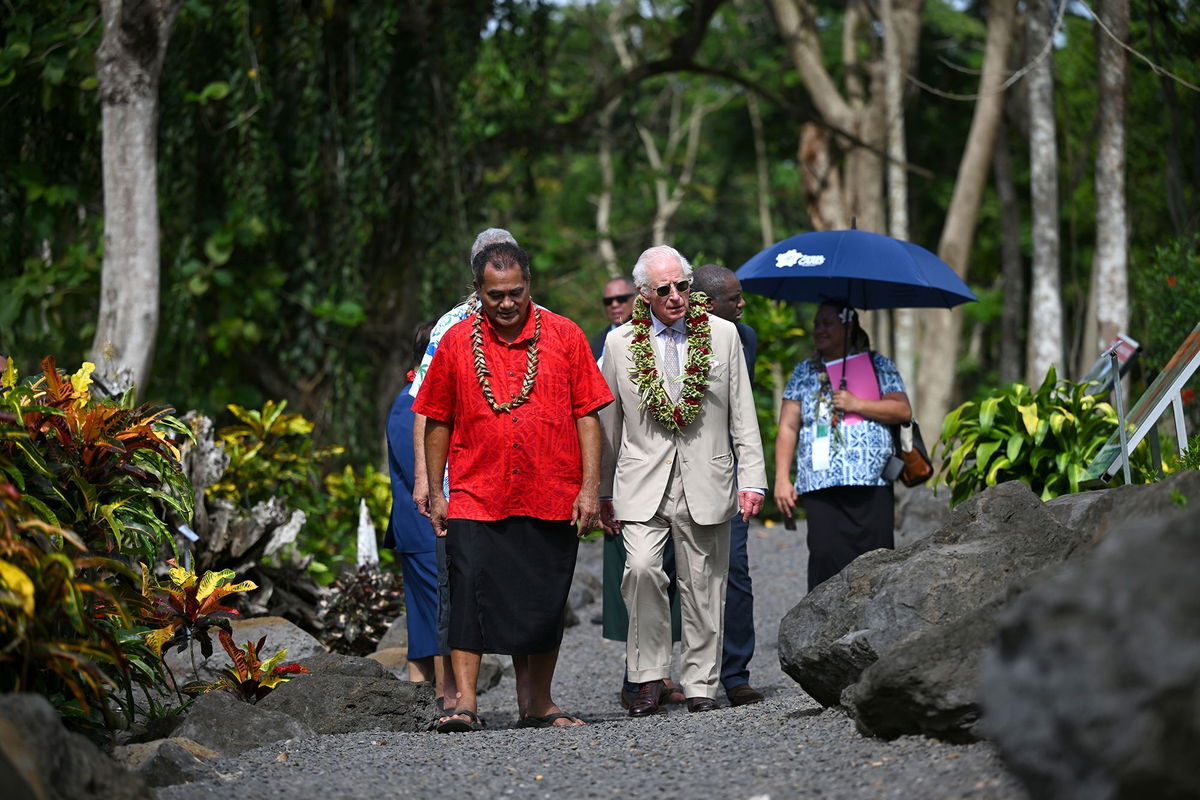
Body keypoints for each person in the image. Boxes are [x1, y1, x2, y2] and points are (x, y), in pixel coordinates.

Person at [415, 241, 613, 732]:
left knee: (543, 597)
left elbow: (588, 414)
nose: (506, 304)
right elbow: (436, 418)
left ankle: (538, 704)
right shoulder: (458, 341)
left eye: (515, 293)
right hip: (475, 493)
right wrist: (436, 492)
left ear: (530, 285)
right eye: (495, 295)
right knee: (468, 595)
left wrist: (590, 489)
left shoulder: (565, 335)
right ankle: (465, 705)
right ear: (478, 292)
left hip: (550, 491)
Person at [599, 245, 767, 716]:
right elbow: (608, 423)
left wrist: (752, 478)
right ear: (644, 293)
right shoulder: (617, 343)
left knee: (704, 583)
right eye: (664, 289)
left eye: (683, 286)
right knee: (641, 571)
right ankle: (649, 677)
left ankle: (701, 683)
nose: (676, 296)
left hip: (707, 477)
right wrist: (601, 490)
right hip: (640, 482)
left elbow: (743, 414)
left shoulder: (723, 335)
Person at [410, 226, 518, 712]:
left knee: (521, 577)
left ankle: (529, 697)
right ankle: (452, 693)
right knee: (456, 583)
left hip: (518, 482)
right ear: (476, 277)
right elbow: (427, 407)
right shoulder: (451, 327)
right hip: (463, 481)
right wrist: (425, 481)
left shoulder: (535, 318)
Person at [773, 301, 913, 592]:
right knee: (824, 556)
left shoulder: (877, 365)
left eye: (827, 323)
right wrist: (782, 478)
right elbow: (788, 426)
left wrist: (856, 404)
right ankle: (822, 633)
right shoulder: (803, 372)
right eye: (816, 324)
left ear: (849, 327)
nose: (819, 330)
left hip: (872, 482)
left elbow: (902, 411)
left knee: (876, 561)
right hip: (821, 483)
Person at [689, 263, 764, 707]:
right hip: (669, 473)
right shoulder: (657, 338)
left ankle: (735, 673)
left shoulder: (743, 337)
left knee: (734, 570)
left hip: (723, 469)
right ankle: (651, 677)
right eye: (734, 298)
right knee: (660, 573)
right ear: (707, 303)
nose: (742, 304)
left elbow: (742, 410)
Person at [383, 320, 438, 687]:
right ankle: (445, 697)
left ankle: (423, 697)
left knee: (426, 617)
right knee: (434, 616)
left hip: (427, 527)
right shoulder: (409, 405)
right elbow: (416, 467)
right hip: (422, 526)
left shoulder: (420, 400)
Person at [591, 276, 637, 362]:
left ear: (636, 298)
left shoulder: (655, 330)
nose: (614, 305)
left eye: (621, 299)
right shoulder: (597, 344)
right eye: (608, 301)